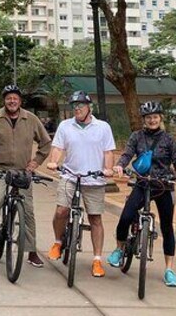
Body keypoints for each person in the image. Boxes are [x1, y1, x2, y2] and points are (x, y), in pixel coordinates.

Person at [107, 101, 176, 287]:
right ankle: (119, 249)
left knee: (167, 227)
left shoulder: (169, 139)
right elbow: (127, 154)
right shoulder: (137, 136)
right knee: (126, 216)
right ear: (144, 120)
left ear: (160, 118)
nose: (152, 120)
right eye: (148, 117)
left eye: (155, 117)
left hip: (163, 185)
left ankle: (169, 270)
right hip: (143, 183)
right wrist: (120, 165)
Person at [46, 91, 114, 278]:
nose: (77, 108)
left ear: (89, 107)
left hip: (94, 179)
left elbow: (108, 152)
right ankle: (58, 242)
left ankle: (97, 260)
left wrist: (108, 169)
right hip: (70, 175)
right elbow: (58, 147)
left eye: (81, 105)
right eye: (74, 105)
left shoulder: (103, 127)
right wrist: (53, 162)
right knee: (61, 211)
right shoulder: (65, 126)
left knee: (95, 219)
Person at [0, 85, 52, 268]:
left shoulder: (31, 119)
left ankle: (32, 251)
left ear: (20, 101)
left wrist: (35, 162)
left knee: (28, 210)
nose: (12, 101)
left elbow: (45, 143)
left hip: (23, 171)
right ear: (4, 100)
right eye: (8, 98)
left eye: (15, 98)